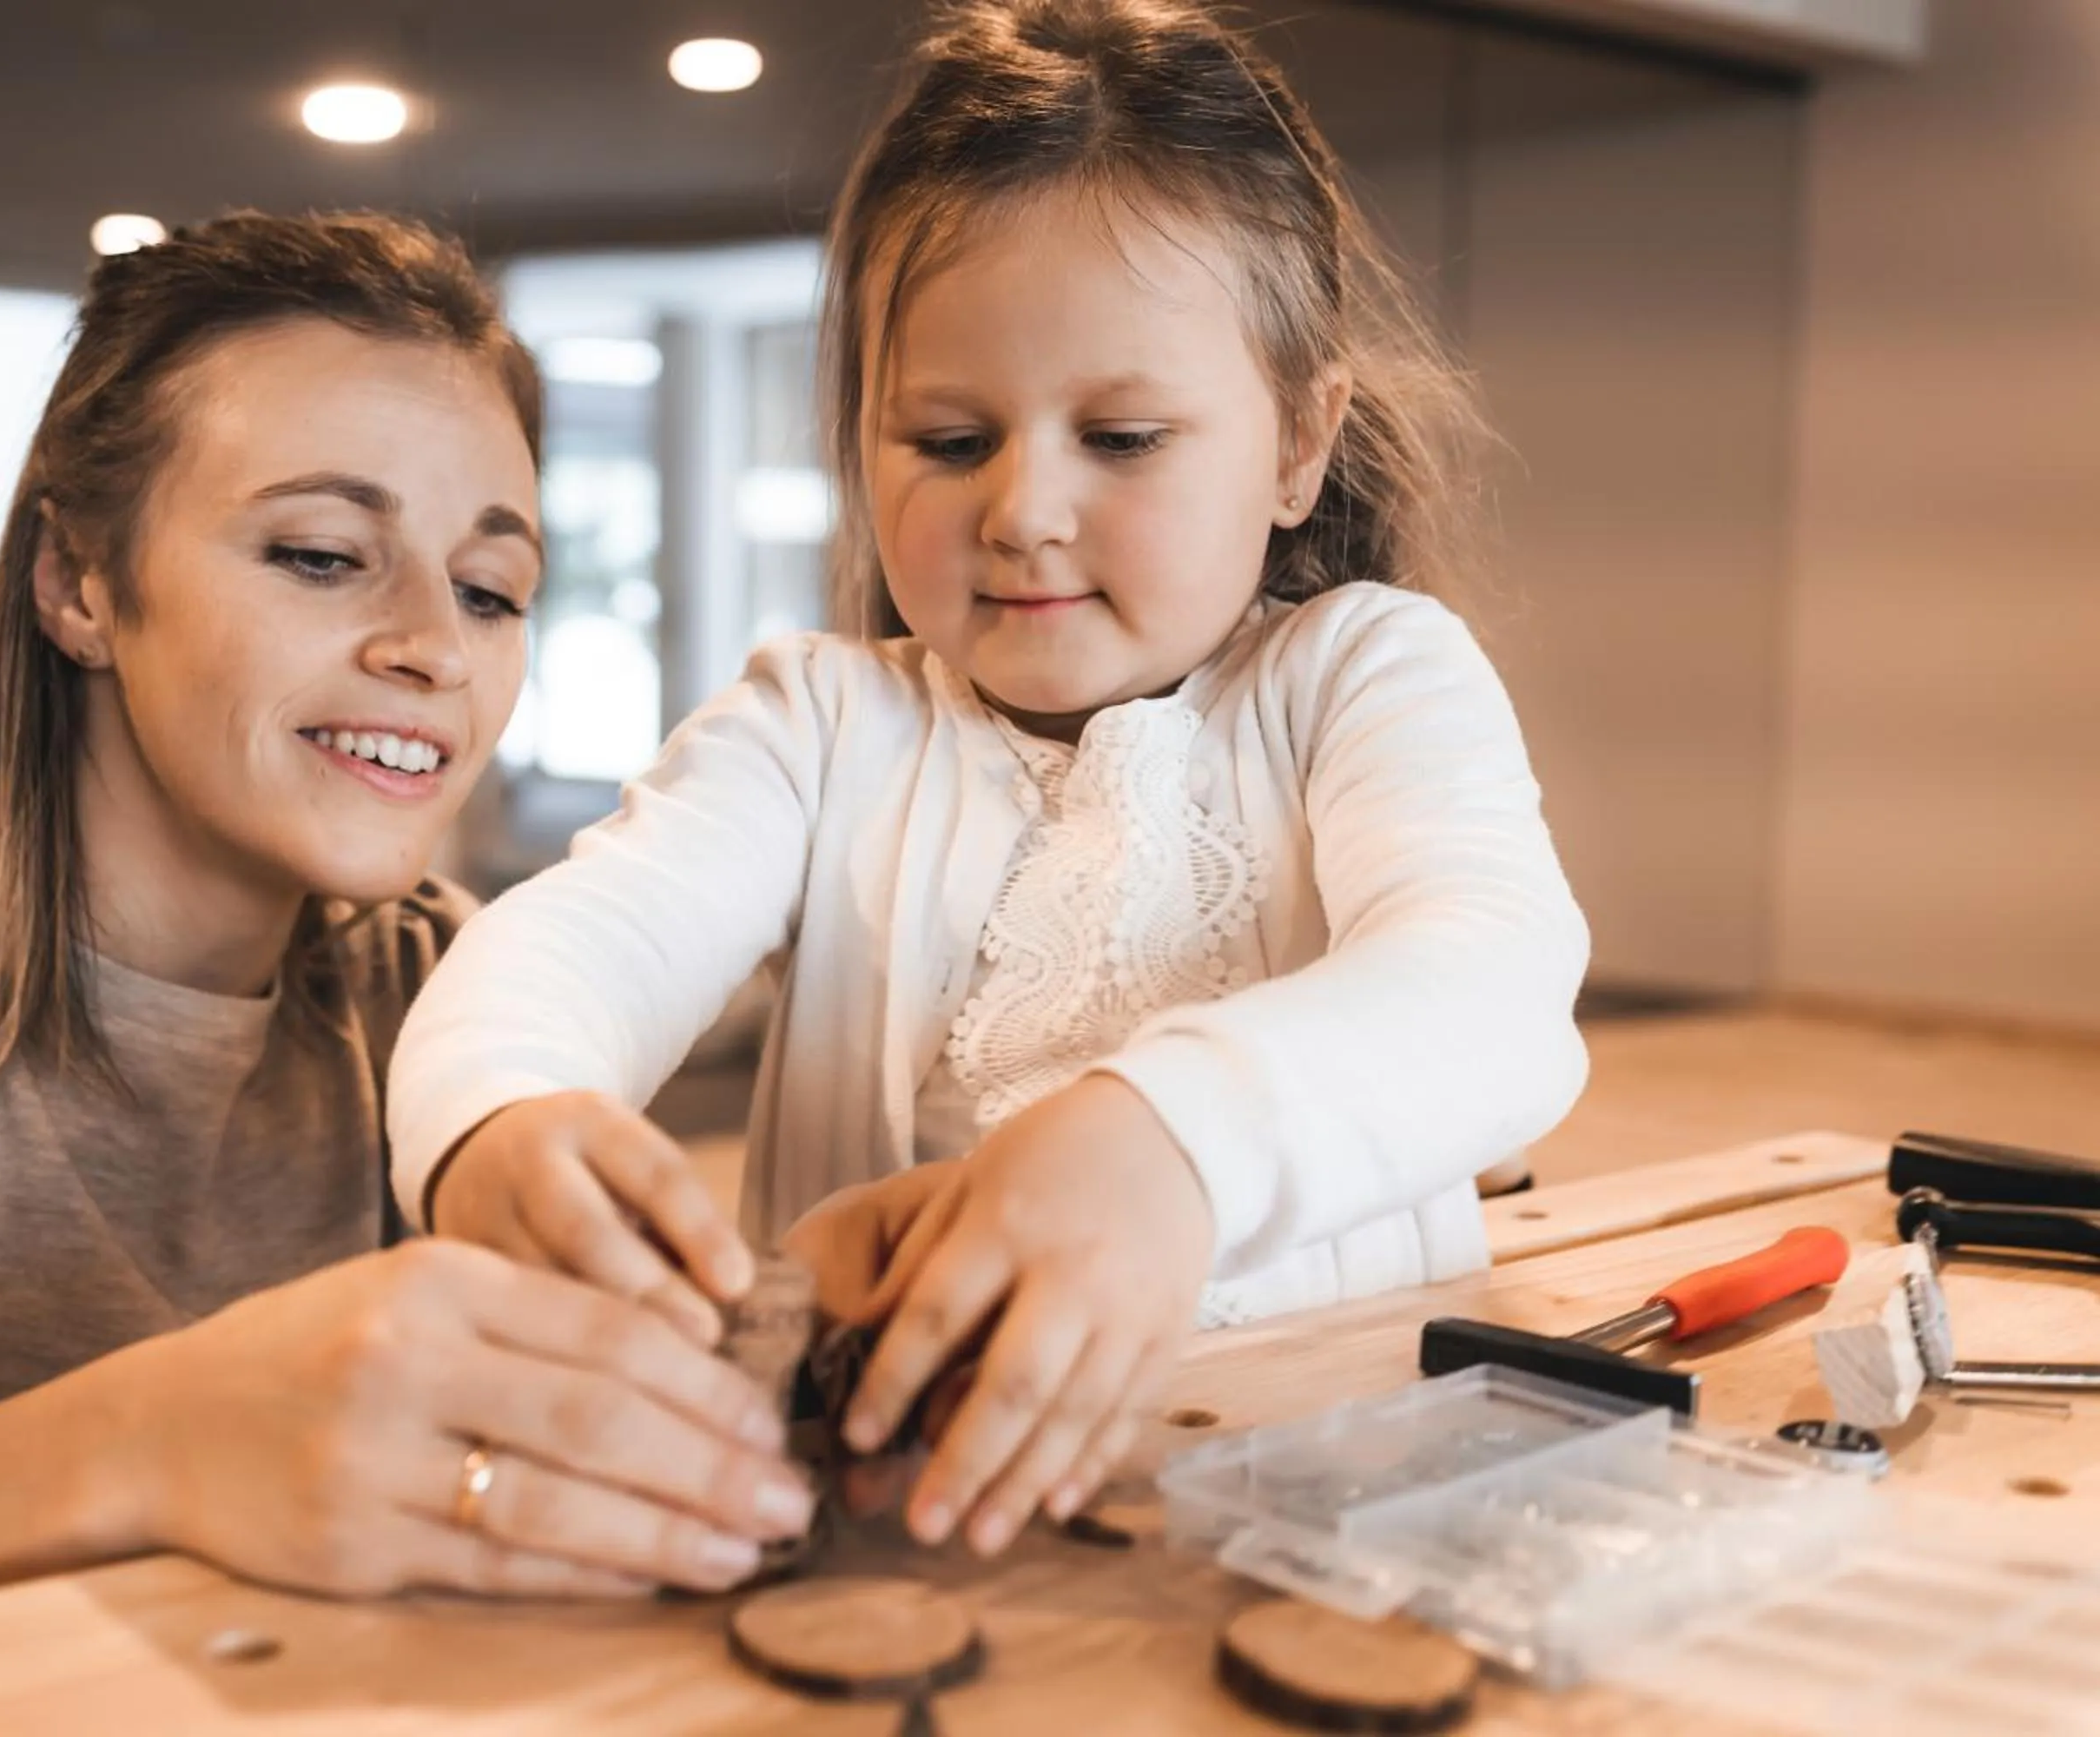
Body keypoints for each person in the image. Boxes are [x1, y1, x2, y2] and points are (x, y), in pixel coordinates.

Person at [0, 212, 812, 1684]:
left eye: (492, 590)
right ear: (79, 585)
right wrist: (151, 1439)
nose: (437, 647)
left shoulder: (448, 994)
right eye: (323, 555)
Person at [389, 0, 1591, 1565]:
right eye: (950, 441)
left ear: (1299, 440)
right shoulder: (816, 724)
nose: (1025, 510)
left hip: (1333, 1496)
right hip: (891, 1529)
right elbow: (581, 939)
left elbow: (1492, 980)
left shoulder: (1364, 675)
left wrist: (1167, 1137)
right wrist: (501, 1117)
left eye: (1125, 436)